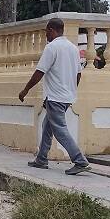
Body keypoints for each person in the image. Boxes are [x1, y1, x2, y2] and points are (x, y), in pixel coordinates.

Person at [19, 17, 90, 174]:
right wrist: (71, 90)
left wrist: (25, 90)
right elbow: (78, 74)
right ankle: (41, 159)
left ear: (51, 30)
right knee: (47, 126)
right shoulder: (73, 48)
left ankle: (79, 160)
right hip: (66, 97)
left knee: (59, 130)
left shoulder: (51, 47)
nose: (46, 35)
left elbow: (40, 72)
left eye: (46, 32)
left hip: (55, 97)